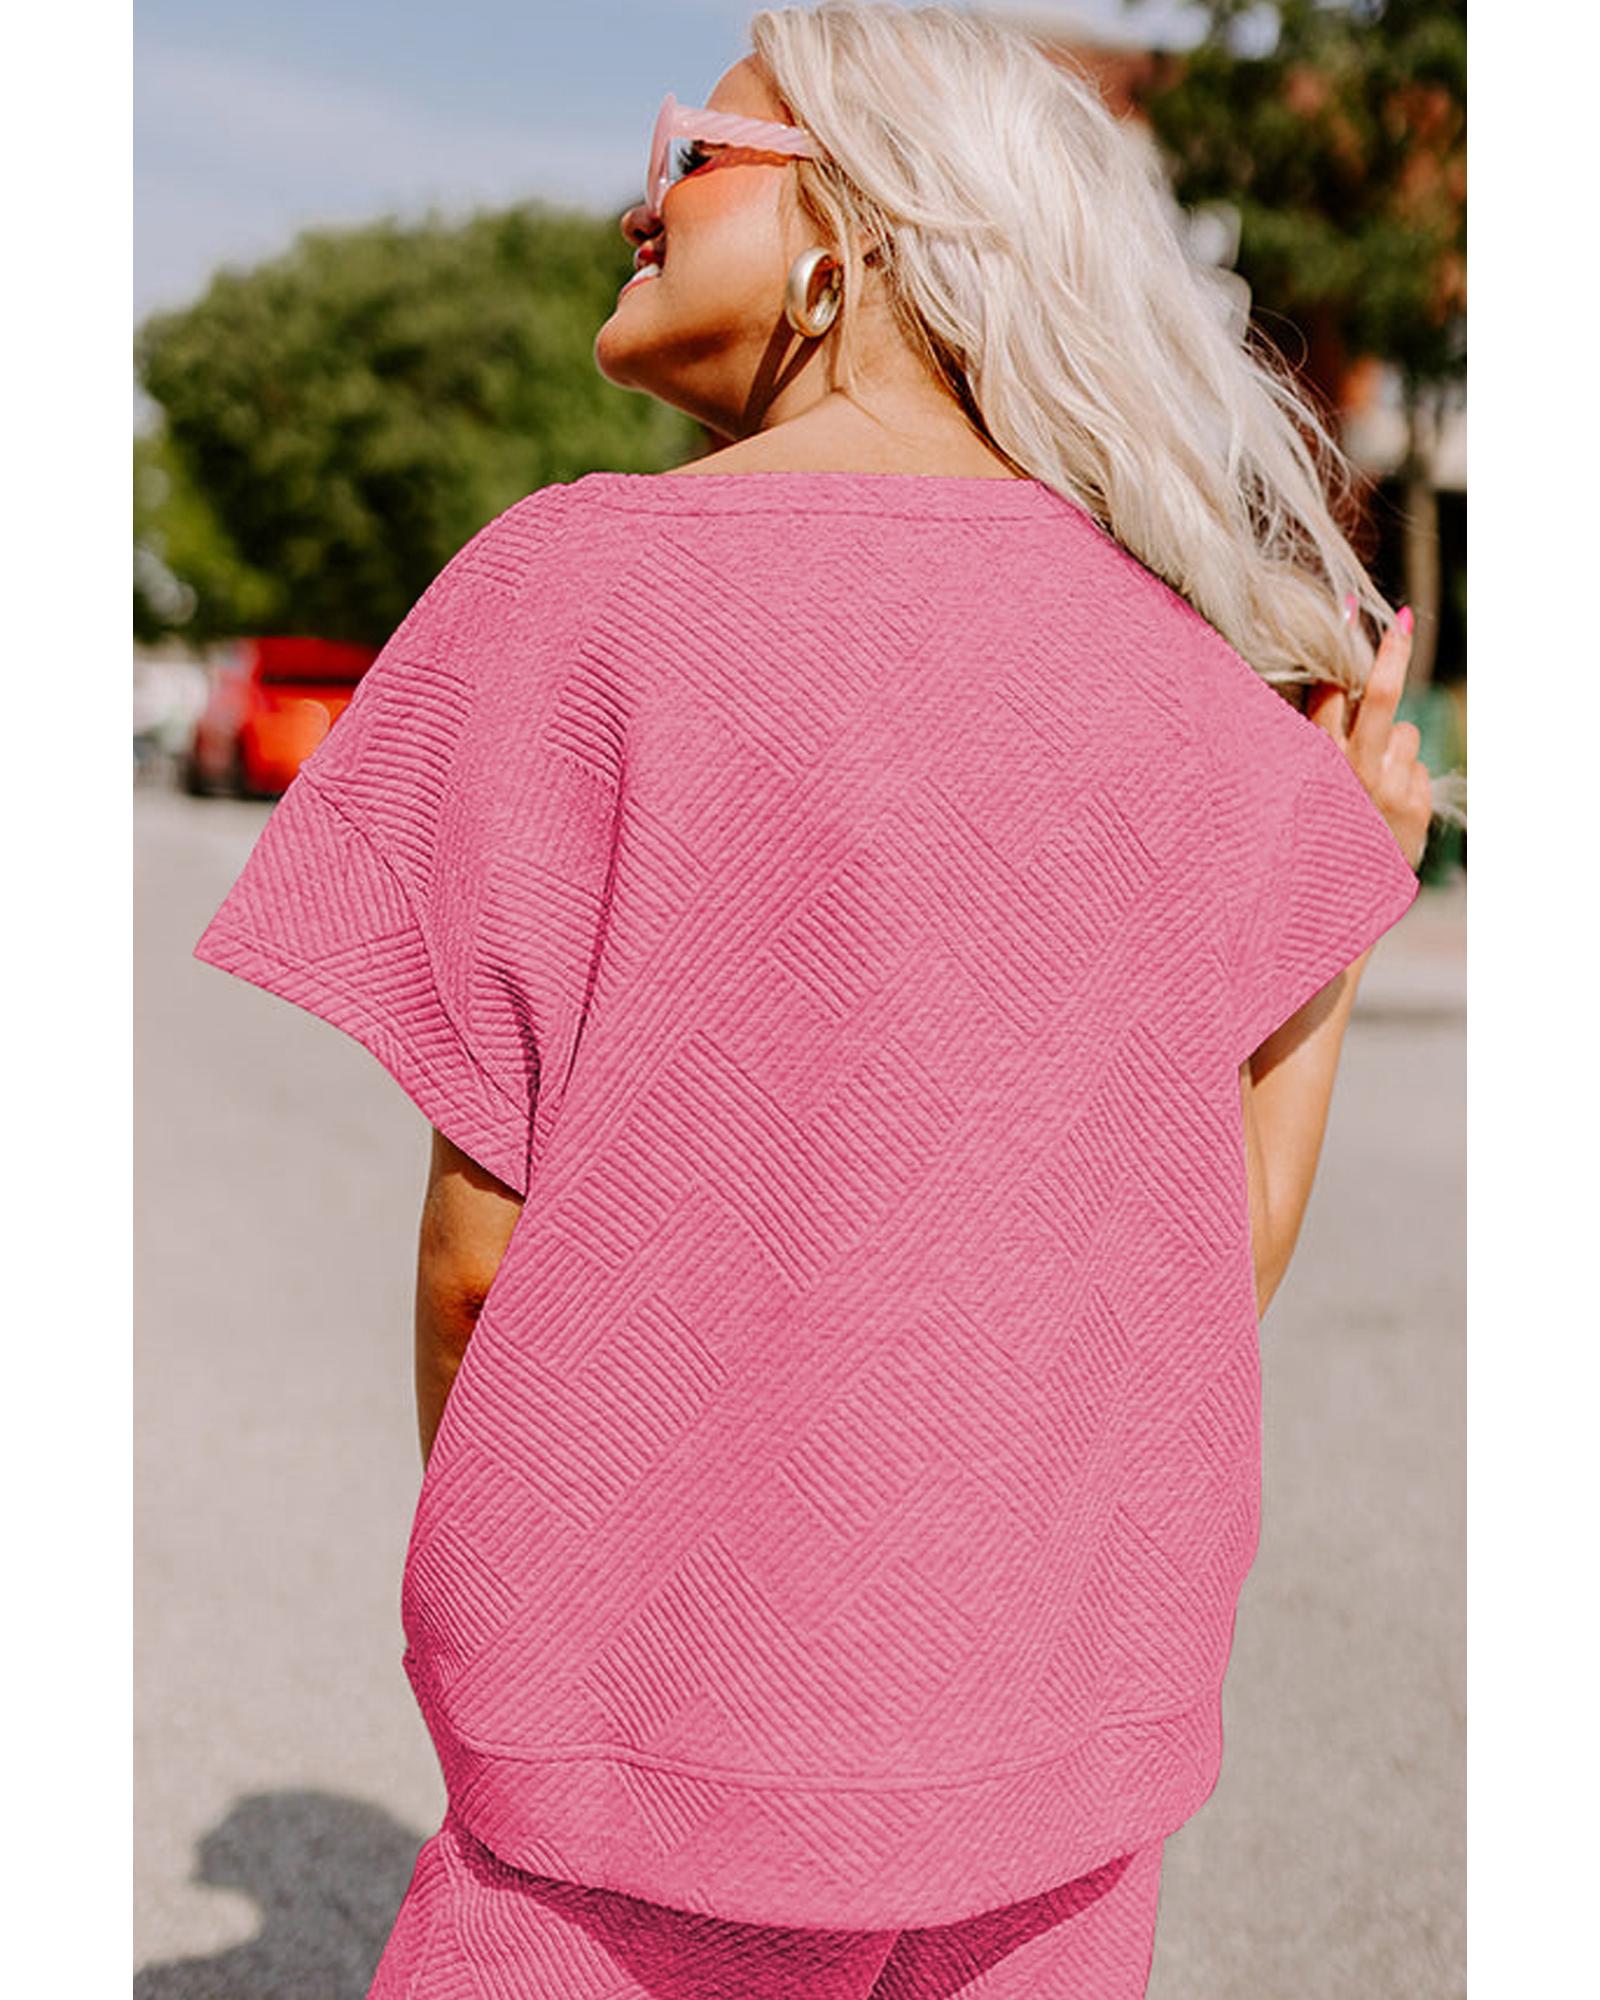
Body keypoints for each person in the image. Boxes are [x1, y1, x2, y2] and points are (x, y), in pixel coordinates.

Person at [191, 5, 1445, 1994]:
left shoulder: (577, 591)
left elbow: (474, 1278)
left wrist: (569, 1633)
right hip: (1053, 1803)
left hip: (634, 1798)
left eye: (695, 152)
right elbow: (1221, 1260)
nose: (638, 199)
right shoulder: (1179, 683)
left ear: (852, 227)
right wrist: (1344, 883)